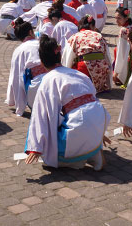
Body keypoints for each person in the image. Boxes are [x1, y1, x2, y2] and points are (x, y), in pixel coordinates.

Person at [24, 35, 111, 170]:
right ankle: (94, 149)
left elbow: (41, 115)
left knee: (49, 154)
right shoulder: (78, 74)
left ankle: (79, 160)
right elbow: (92, 100)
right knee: (81, 124)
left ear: (42, 62)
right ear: (59, 56)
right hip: (100, 117)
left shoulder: (49, 79)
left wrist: (36, 147)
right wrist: (100, 132)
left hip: (80, 123)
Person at [5, 18, 47, 116]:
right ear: (30, 32)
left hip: (35, 87)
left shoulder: (19, 50)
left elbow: (16, 77)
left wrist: (18, 104)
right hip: (55, 80)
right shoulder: (43, 43)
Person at [62, 16, 112, 93]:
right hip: (101, 69)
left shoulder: (75, 36)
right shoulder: (99, 35)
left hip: (84, 68)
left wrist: (66, 75)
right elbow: (107, 56)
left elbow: (68, 57)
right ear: (91, 26)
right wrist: (109, 80)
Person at [113, 7, 132, 86]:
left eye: (119, 18)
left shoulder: (123, 30)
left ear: (126, 18)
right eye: (115, 18)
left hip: (127, 57)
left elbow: (121, 53)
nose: (116, 21)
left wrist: (117, 71)